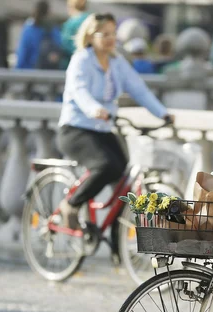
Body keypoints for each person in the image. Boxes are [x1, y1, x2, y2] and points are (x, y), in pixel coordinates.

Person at [57, 14, 174, 228]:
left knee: (123, 184)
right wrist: (94, 109)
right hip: (76, 129)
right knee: (107, 165)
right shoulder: (81, 60)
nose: (111, 39)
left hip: (103, 129)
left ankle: (115, 242)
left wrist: (162, 113)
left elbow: (139, 89)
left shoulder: (117, 62)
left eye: (113, 34)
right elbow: (79, 90)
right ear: (91, 36)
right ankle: (71, 205)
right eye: (105, 34)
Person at [15, 0, 63, 70]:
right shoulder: (53, 29)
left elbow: (22, 53)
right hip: (50, 72)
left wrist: (17, 70)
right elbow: (59, 47)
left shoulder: (29, 29)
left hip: (30, 71)